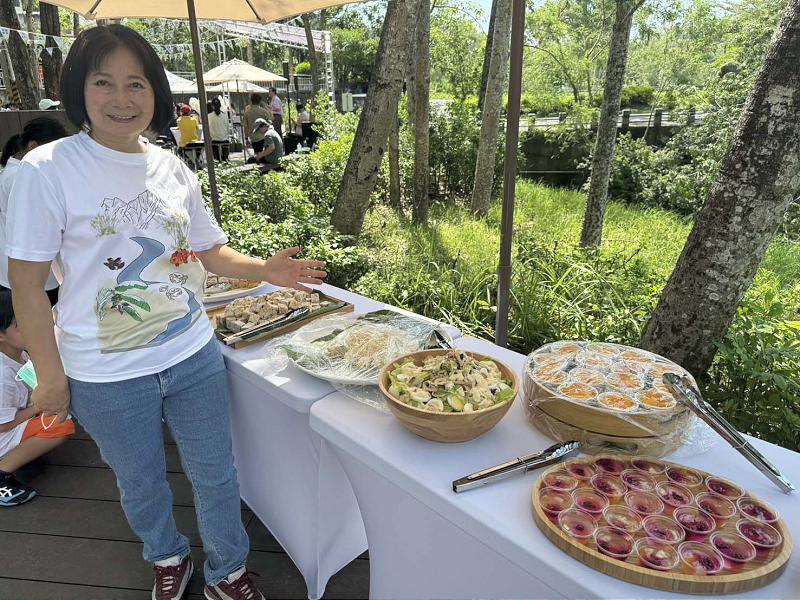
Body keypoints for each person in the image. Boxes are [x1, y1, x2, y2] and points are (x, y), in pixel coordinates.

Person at [5, 25, 325, 600]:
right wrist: (50, 378)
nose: (122, 99)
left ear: (155, 93)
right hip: (103, 371)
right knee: (141, 481)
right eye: (104, 83)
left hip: (191, 351)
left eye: (136, 84)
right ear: (80, 90)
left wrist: (266, 271)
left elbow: (207, 252)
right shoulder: (44, 169)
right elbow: (26, 285)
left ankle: (228, 572)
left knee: (216, 472)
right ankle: (167, 556)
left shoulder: (171, 167)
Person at [0, 290, 75, 507]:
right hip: (5, 430)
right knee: (60, 425)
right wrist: (38, 407)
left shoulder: (18, 351)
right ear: (2, 334)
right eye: (19, 325)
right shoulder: (3, 374)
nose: (30, 327)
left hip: (18, 413)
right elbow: (3, 425)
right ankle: (2, 472)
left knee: (58, 407)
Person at [0, 118, 67, 306]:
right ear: (32, 147)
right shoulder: (20, 176)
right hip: (32, 269)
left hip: (34, 268)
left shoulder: (16, 172)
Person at [242, 93, 271, 157]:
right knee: (264, 155)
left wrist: (246, 138)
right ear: (260, 101)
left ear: (251, 101)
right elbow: (272, 119)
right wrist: (265, 106)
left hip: (253, 138)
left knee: (257, 155)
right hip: (264, 136)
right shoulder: (263, 111)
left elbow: (245, 126)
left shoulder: (247, 112)